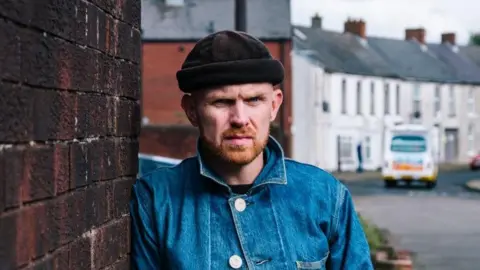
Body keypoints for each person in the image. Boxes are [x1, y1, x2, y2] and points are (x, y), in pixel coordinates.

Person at [130, 30, 373, 270]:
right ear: (192, 110)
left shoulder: (325, 195)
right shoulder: (155, 200)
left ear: (274, 105)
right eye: (221, 102)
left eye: (254, 100)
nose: (240, 118)